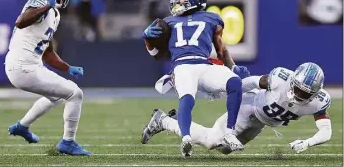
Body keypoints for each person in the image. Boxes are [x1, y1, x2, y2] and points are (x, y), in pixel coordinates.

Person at [142, 0, 250, 157]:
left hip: (204, 63)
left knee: (234, 82)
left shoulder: (212, 18)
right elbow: (156, 55)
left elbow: (221, 49)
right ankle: (186, 139)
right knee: (187, 98)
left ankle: (229, 132)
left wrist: (233, 67)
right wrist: (147, 39)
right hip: (182, 65)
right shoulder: (168, 22)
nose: (176, 2)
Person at [141, 62, 332, 155]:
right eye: (298, 87)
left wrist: (308, 143)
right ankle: (164, 121)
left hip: (261, 122)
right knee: (211, 142)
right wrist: (229, 91)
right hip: (248, 107)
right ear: (293, 80)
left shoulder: (320, 102)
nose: (300, 94)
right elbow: (251, 82)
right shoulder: (280, 78)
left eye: (306, 93)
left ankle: (167, 121)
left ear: (315, 93)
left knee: (224, 150)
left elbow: (326, 131)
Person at [5, 0, 91, 156]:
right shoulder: (39, 3)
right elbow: (21, 21)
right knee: (75, 94)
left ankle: (22, 126)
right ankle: (68, 142)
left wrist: (68, 68)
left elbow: (48, 53)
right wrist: (46, 6)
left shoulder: (54, 14)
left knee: (58, 96)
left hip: (29, 66)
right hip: (23, 67)